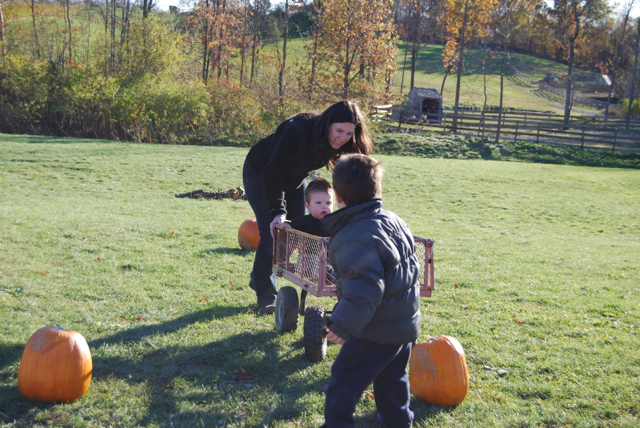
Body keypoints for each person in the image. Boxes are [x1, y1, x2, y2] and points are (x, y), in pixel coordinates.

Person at [242, 101, 373, 315]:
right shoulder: (296, 131)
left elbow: (354, 175)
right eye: (339, 130)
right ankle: (266, 296)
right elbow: (272, 173)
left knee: (298, 233)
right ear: (327, 123)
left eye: (349, 134)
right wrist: (277, 210)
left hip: (294, 178)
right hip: (262, 173)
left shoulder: (344, 141)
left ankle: (259, 277)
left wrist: (359, 208)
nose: (342, 138)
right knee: (274, 232)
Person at [319, 154, 421, 428]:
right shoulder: (393, 220)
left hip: (373, 331)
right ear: (377, 189)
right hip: (403, 325)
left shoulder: (353, 236)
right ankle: (397, 422)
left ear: (337, 196)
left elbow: (364, 293)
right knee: (392, 380)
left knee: (343, 381)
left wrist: (341, 324)